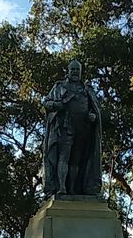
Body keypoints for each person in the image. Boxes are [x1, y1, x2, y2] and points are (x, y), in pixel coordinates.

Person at [42, 60, 102, 197]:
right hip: (65, 127)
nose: (75, 72)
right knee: (63, 157)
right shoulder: (59, 87)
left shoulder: (87, 90)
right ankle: (61, 187)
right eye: (73, 69)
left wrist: (92, 116)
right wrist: (56, 105)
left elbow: (95, 109)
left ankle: (73, 189)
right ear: (68, 71)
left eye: (77, 70)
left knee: (77, 161)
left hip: (83, 130)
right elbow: (46, 102)